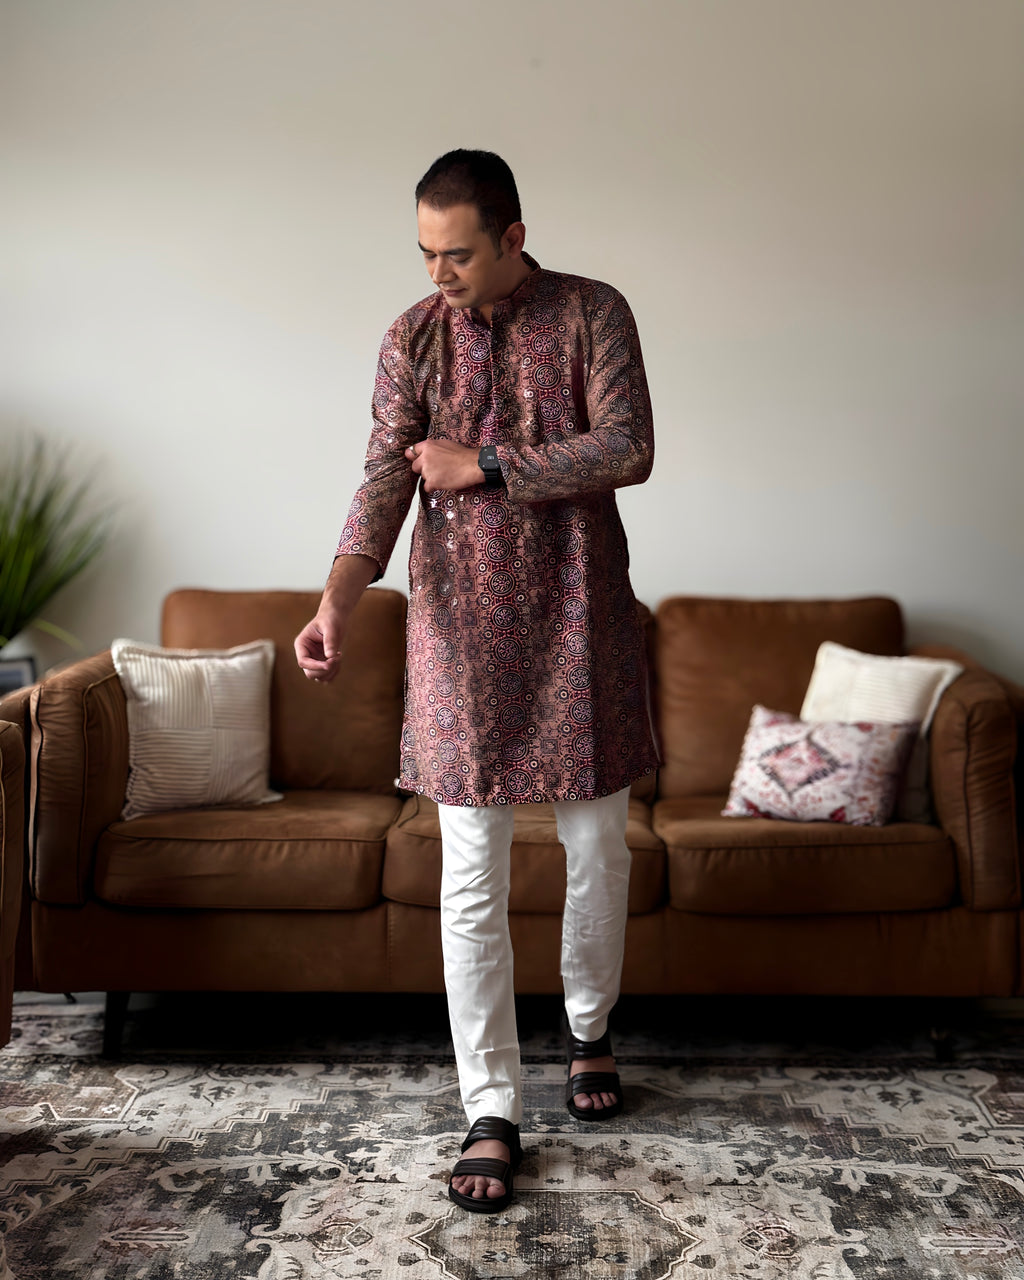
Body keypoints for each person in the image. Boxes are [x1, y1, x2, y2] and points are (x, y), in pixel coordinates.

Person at [294, 149, 657, 1214]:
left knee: (595, 851)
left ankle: (588, 1029)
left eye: (457, 252)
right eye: (424, 251)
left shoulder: (593, 312)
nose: (438, 270)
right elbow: (380, 477)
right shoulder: (411, 336)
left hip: (581, 618)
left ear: (512, 238)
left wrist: (487, 462)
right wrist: (335, 599)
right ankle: (488, 1102)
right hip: (456, 629)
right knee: (470, 872)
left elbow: (629, 446)